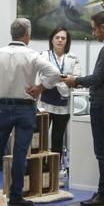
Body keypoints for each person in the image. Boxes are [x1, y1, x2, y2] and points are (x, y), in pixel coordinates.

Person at [0, 18, 62, 206]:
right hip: (24, 108)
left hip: (2, 107)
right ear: (27, 35)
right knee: (20, 154)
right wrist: (41, 87)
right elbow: (54, 73)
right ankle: (16, 196)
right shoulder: (31, 55)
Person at [63, 12, 104, 206]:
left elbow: (97, 78)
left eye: (94, 28)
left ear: (103, 27)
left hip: (103, 103)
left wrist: (76, 81)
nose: (93, 33)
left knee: (102, 151)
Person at [37, 26, 80, 162]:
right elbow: (42, 77)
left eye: (63, 38)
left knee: (58, 138)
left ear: (67, 41)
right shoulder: (44, 56)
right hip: (45, 103)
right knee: (42, 138)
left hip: (63, 105)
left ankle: (55, 170)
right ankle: (41, 168)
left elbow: (76, 79)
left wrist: (55, 79)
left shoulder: (73, 58)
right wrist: (64, 78)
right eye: (57, 37)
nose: (60, 40)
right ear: (52, 39)